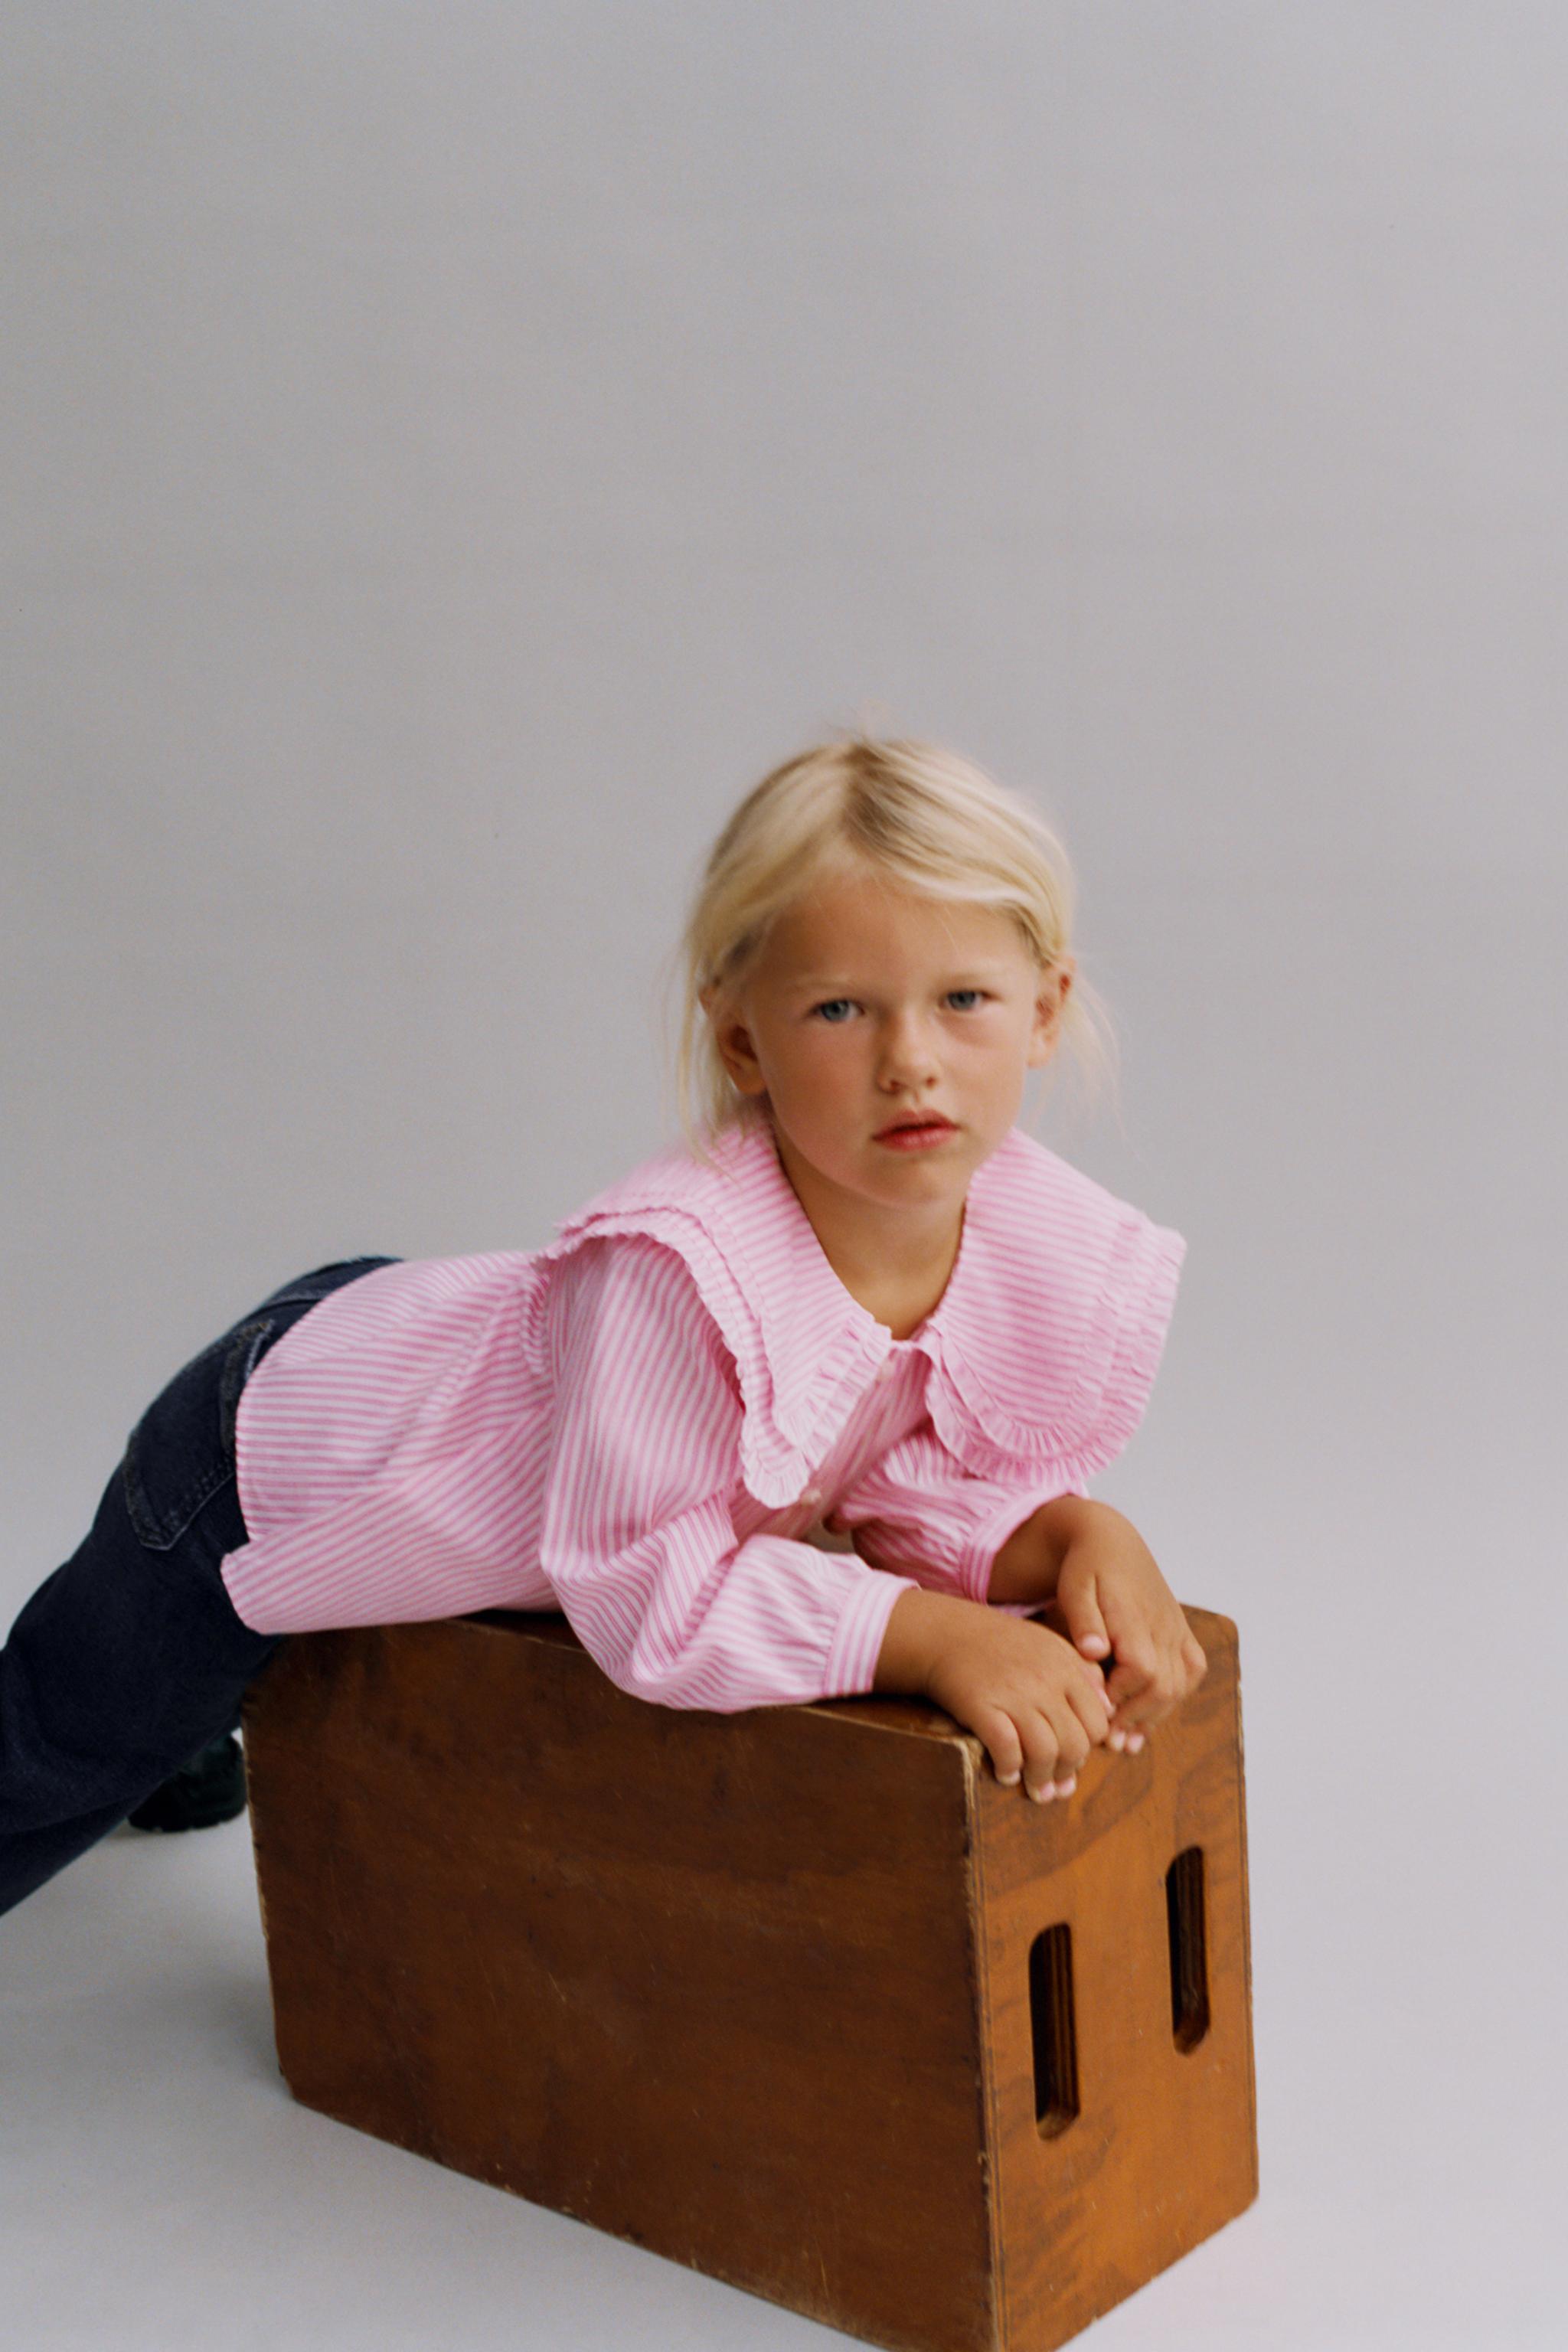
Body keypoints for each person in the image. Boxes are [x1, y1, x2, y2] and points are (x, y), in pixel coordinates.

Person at [0, 734, 1206, 1919]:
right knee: (75, 1731)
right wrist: (930, 1638)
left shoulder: (985, 1223)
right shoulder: (673, 1275)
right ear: (744, 1040)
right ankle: (157, 1734)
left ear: (1043, 1011)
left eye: (964, 1001)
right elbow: (645, 1591)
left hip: (441, 1342)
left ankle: (180, 1733)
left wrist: (1067, 1539)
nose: (911, 1063)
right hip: (283, 1444)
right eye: (841, 1009)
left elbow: (905, 1471)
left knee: (166, 1698)